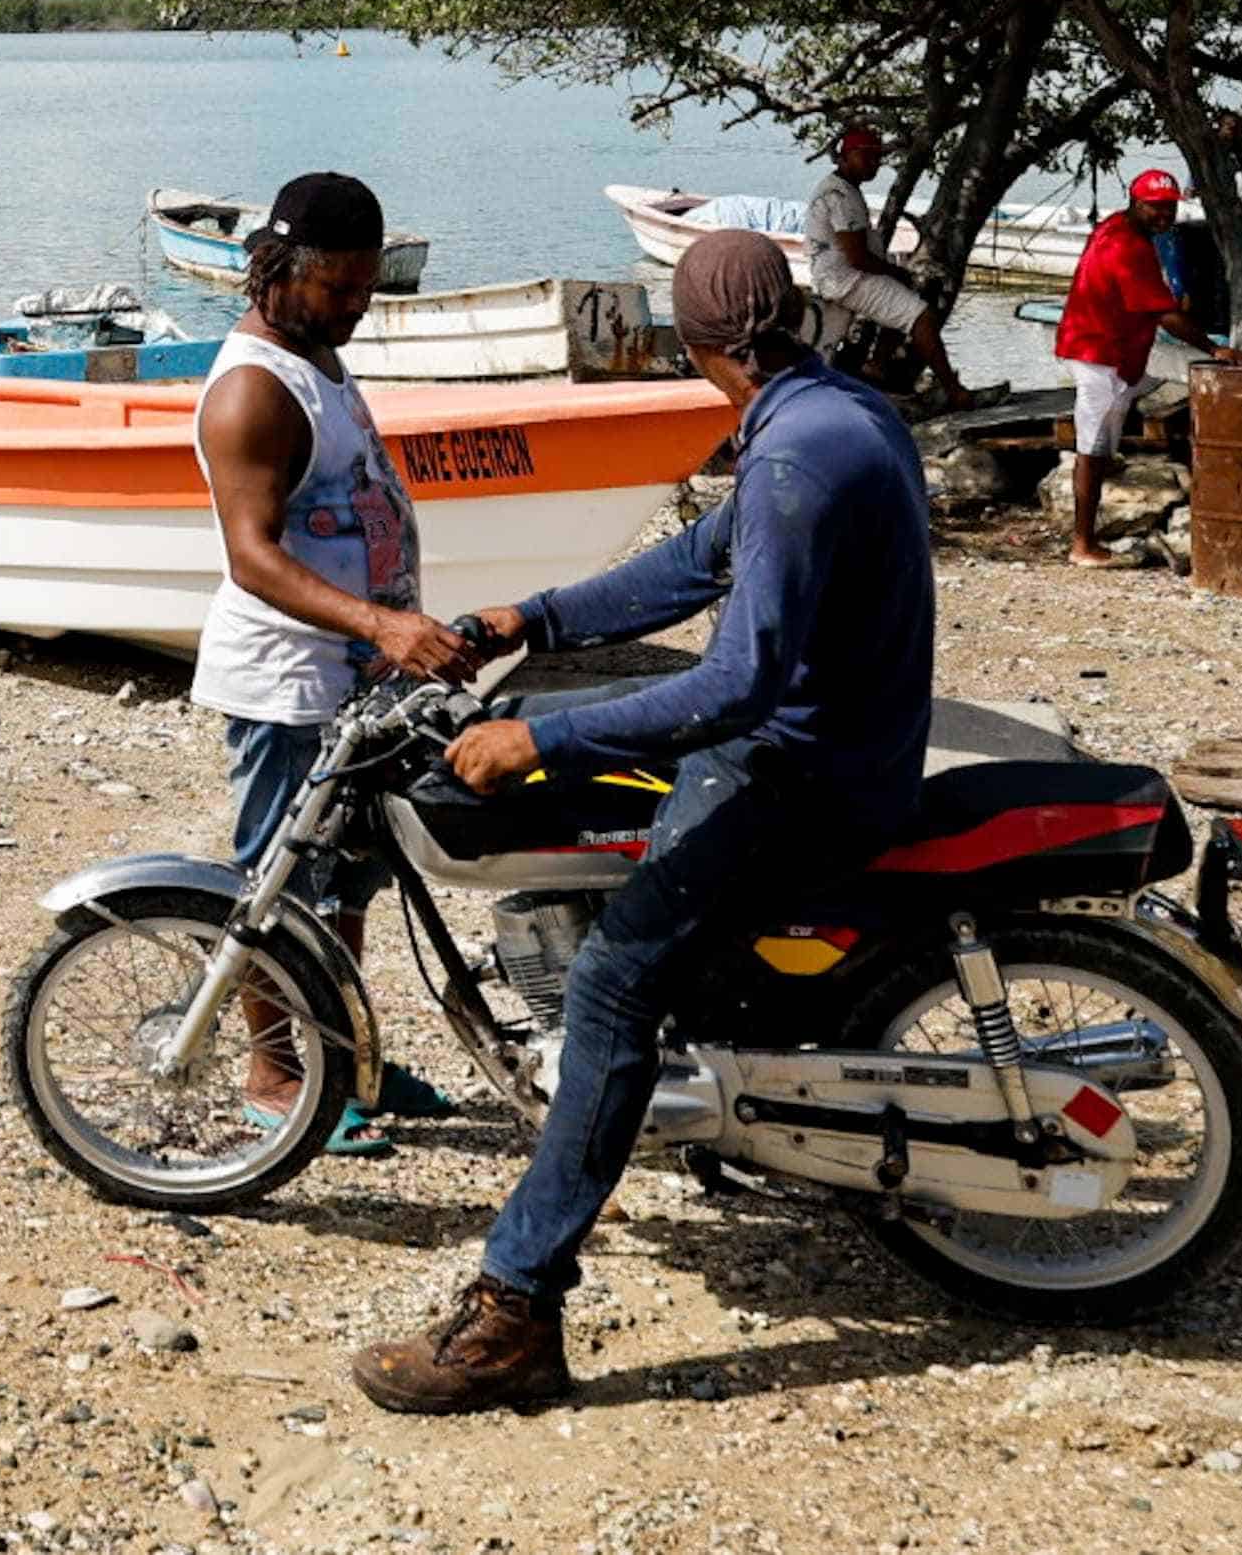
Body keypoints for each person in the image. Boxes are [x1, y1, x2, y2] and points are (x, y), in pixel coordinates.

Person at [347, 229, 933, 1415]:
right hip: (830, 745)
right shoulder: (831, 415)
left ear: (699, 343)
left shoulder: (793, 463)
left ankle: (515, 1311)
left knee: (616, 979)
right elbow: (692, 563)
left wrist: (540, 734)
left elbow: (735, 686)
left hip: (801, 769)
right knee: (611, 823)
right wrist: (537, 619)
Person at [190, 171, 458, 1154]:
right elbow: (251, 555)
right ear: (278, 268)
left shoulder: (319, 356)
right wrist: (381, 625)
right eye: (338, 290)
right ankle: (272, 1075)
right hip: (285, 679)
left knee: (346, 880)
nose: (355, 308)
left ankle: (343, 1061)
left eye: (366, 288)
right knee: (278, 883)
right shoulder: (254, 389)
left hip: (353, 684)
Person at [1053, 170, 1215, 566]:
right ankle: (1084, 545)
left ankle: (1100, 513)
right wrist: (1214, 350)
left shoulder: (1114, 228)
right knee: (1089, 450)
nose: (1165, 214)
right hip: (1099, 355)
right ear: (1135, 202)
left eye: (1170, 206)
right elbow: (1166, 315)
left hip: (1106, 351)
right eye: (1156, 206)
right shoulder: (1130, 249)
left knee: (1106, 433)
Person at [804, 125, 987, 406]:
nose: (874, 164)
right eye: (867, 157)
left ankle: (876, 365)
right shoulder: (841, 196)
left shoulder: (841, 188)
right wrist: (896, 272)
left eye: (877, 158)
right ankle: (954, 390)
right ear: (847, 156)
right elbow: (858, 258)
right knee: (921, 315)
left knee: (903, 294)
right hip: (845, 279)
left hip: (839, 275)